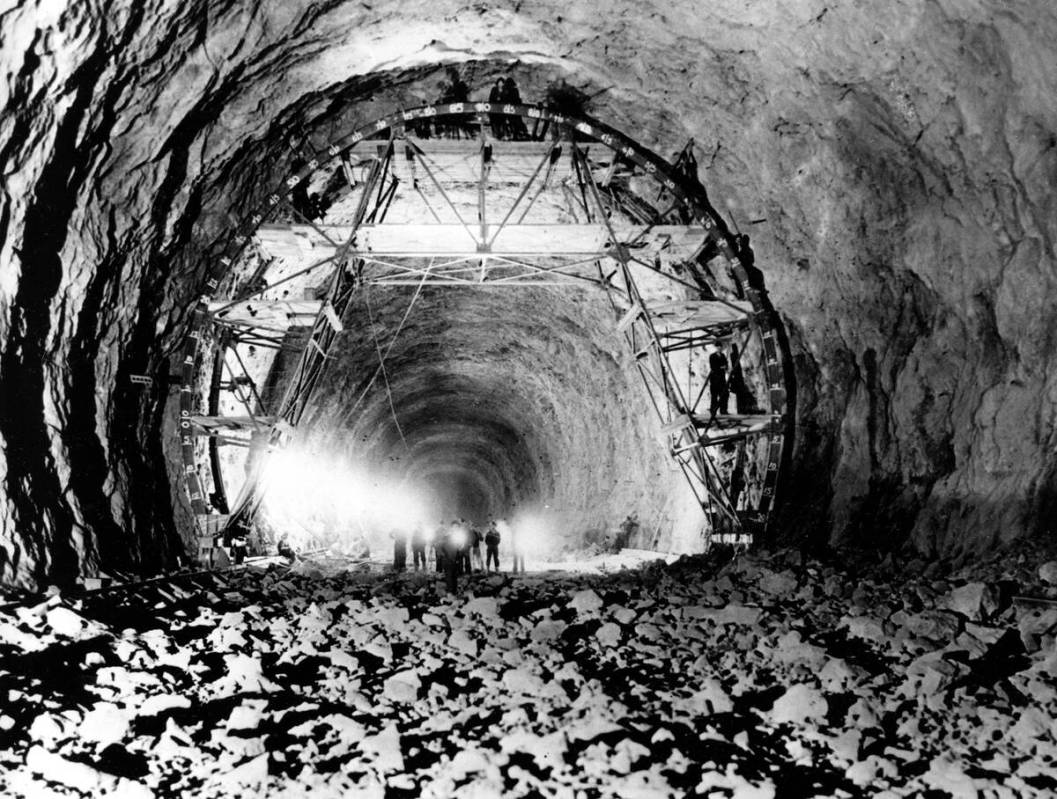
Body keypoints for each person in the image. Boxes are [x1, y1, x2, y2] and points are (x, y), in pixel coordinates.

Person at [709, 350, 729, 416]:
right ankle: (713, 411)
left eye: (720, 346)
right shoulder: (712, 356)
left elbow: (726, 364)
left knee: (724, 394)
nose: (719, 348)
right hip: (714, 379)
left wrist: (724, 367)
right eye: (718, 346)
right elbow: (713, 367)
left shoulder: (722, 355)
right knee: (714, 395)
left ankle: (723, 410)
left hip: (722, 379)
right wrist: (721, 367)